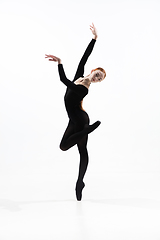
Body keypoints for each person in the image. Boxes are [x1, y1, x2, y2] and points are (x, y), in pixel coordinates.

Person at [45, 23, 106, 201]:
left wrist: (60, 63)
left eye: (99, 79)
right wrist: (94, 39)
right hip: (76, 120)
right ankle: (80, 182)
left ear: (97, 82)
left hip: (80, 120)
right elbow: (84, 57)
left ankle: (79, 181)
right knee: (75, 149)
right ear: (93, 71)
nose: (97, 78)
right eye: (97, 74)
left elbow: (64, 80)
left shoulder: (84, 89)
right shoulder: (80, 76)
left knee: (71, 148)